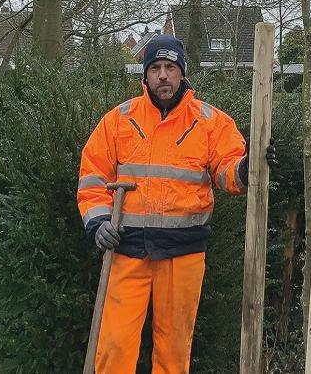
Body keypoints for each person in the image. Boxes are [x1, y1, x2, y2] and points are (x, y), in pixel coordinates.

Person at [77, 34, 270, 373]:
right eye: (155, 68)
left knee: (174, 351)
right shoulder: (119, 120)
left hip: (183, 254)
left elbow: (229, 170)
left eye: (170, 67)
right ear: (145, 75)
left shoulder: (210, 122)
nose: (163, 75)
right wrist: (98, 222)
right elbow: (92, 176)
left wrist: (245, 168)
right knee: (114, 346)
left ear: (182, 72)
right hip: (127, 250)